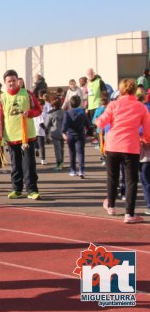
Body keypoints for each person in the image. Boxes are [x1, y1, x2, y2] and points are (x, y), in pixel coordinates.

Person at [95, 79, 150, 223]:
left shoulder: (113, 104)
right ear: (134, 91)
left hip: (112, 145)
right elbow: (147, 129)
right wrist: (146, 139)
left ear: (121, 90)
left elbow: (101, 122)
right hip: (130, 146)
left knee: (112, 177)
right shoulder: (141, 107)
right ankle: (129, 214)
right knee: (131, 180)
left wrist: (97, 119)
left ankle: (111, 206)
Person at [0, 69, 43, 200]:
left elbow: (38, 109)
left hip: (27, 136)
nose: (12, 83)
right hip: (11, 137)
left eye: (14, 80)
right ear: (5, 83)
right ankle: (16, 189)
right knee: (15, 165)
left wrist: (30, 113)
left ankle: (32, 190)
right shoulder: (2, 98)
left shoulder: (27, 94)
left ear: (18, 81)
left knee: (29, 164)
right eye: (9, 81)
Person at [62, 95, 90, 178]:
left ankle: (73, 170)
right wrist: (87, 130)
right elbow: (88, 124)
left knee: (72, 153)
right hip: (80, 134)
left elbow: (64, 125)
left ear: (70, 103)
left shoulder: (67, 113)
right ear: (79, 103)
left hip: (70, 135)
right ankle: (81, 170)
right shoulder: (82, 112)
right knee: (80, 153)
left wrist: (63, 133)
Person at [45, 98, 65, 171]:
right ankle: (62, 163)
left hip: (55, 132)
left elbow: (46, 125)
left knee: (57, 149)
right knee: (62, 149)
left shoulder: (51, 113)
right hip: (63, 132)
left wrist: (46, 135)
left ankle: (59, 164)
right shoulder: (64, 112)